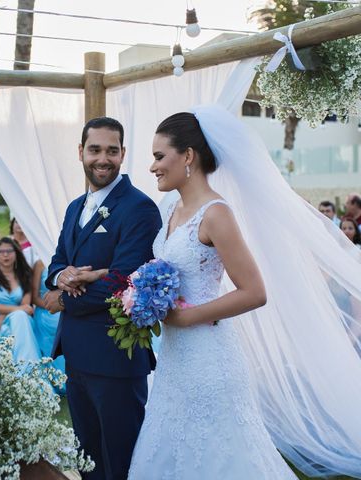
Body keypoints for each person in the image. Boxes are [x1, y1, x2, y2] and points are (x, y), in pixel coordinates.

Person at [130, 106, 361, 478]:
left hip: (209, 357)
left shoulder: (216, 213)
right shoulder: (172, 206)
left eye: (159, 156)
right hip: (175, 357)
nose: (153, 166)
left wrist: (187, 316)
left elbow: (254, 291)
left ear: (188, 156)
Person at [44, 116, 162, 480]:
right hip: (76, 355)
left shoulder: (139, 208)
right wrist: (60, 277)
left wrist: (62, 299)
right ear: (81, 152)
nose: (103, 159)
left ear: (123, 154)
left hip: (116, 358)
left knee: (120, 461)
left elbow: (123, 279)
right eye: (95, 149)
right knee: (88, 460)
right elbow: (57, 261)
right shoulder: (75, 207)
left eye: (112, 151)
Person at [0, 237, 41, 364]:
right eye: (1, 252)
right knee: (19, 315)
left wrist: (6, 314)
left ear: (16, 253)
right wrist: (10, 312)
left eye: (9, 251)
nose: (5, 255)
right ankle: (25, 368)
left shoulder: (26, 275)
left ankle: (27, 368)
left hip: (19, 318)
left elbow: (25, 305)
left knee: (20, 317)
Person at [31, 259, 65, 394]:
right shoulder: (39, 264)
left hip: (64, 309)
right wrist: (50, 306)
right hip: (45, 310)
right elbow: (34, 297)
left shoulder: (68, 260)